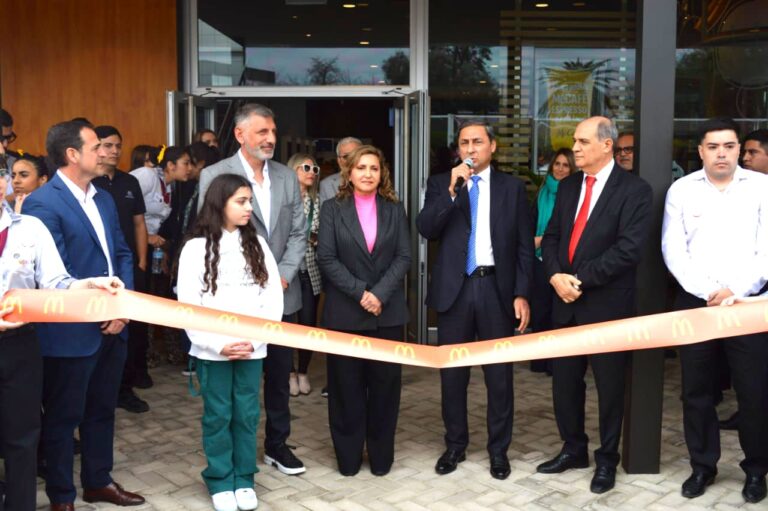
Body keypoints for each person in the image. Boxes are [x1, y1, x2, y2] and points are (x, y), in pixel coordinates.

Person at [23, 120, 143, 509]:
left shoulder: (104, 197)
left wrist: (120, 308)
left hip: (114, 324)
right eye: (96, 146)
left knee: (102, 411)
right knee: (62, 418)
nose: (105, 152)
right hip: (72, 331)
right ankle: (62, 496)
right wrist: (99, 310)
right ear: (72, 154)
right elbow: (54, 275)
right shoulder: (43, 202)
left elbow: (121, 254)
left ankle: (98, 482)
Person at [537, 116, 652, 494]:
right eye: (575, 140)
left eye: (583, 141)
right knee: (565, 385)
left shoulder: (634, 190)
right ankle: (573, 449)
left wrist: (579, 281)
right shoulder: (568, 186)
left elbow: (629, 250)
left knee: (609, 388)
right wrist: (556, 276)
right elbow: (551, 237)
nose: (576, 147)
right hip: (563, 302)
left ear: (607, 145)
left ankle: (607, 460)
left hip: (605, 306)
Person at [0, 166, 126, 511]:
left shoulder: (29, 229)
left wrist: (89, 285)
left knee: (22, 439)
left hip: (19, 345)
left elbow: (56, 282)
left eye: (0, 174)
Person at [416, 120, 533, 481]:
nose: (470, 148)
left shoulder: (513, 188)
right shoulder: (441, 184)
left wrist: (522, 293)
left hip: (497, 289)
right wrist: (452, 191)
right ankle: (455, 446)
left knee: (499, 378)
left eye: (477, 142)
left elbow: (524, 247)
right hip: (456, 291)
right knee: (453, 376)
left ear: (492, 146)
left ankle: (499, 451)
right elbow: (426, 229)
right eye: (464, 142)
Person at [661, 117, 768, 504]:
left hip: (749, 304)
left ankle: (757, 470)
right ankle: (702, 466)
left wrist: (735, 291)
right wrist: (709, 290)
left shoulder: (762, 188)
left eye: (729, 146)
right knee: (697, 391)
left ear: (739, 149)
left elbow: (766, 251)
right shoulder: (682, 190)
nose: (721, 153)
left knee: (754, 392)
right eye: (713, 146)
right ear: (701, 151)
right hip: (698, 303)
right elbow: (674, 251)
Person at [198, 103, 307, 476]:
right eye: (262, 131)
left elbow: (298, 232)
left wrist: (282, 275)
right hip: (230, 299)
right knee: (231, 386)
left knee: (278, 376)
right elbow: (207, 232)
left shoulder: (286, 176)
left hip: (281, 292)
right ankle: (228, 460)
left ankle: (277, 445)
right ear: (241, 134)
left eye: (273, 131)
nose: (271, 138)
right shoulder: (216, 174)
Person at [178, 173, 282, 511]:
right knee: (218, 415)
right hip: (214, 351)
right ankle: (220, 479)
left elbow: (273, 299)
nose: (248, 207)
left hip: (252, 348)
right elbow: (189, 305)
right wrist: (215, 344)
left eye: (250, 201)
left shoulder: (258, 244)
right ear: (219, 203)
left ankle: (244, 479)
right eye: (241, 201)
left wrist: (254, 340)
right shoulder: (195, 248)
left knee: (247, 414)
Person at [317, 145, 410, 476]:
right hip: (345, 314)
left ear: (381, 172)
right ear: (349, 172)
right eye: (361, 167)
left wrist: (379, 294)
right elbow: (325, 258)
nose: (368, 173)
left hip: (387, 315)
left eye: (374, 167)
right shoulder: (331, 208)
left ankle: (381, 457)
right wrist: (361, 293)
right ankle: (348, 458)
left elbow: (403, 256)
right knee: (346, 390)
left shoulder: (394, 209)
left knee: (385, 391)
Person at [92, 125, 152, 414]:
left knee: (132, 330)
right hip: (100, 274)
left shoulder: (130, 182)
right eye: (107, 145)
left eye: (118, 145)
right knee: (104, 329)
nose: (114, 150)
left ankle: (126, 389)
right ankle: (102, 390)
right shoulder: (90, 183)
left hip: (129, 269)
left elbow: (140, 223)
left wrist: (141, 262)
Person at [529, 148, 575, 374]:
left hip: (563, 264)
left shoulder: (575, 194)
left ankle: (555, 364)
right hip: (539, 259)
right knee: (540, 311)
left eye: (566, 165)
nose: (560, 169)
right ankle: (539, 360)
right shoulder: (541, 193)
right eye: (557, 164)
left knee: (559, 314)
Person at [286, 153, 322, 397]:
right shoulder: (282, 201)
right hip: (287, 271)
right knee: (287, 324)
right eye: (305, 167)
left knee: (308, 323)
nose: (311, 172)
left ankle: (303, 371)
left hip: (311, 269)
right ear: (293, 171)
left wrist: (316, 238)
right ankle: (289, 372)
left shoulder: (318, 201)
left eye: (315, 168)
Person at [319, 137, 362, 204]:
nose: (351, 160)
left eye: (356, 155)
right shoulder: (326, 185)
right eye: (346, 156)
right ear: (339, 161)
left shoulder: (375, 182)